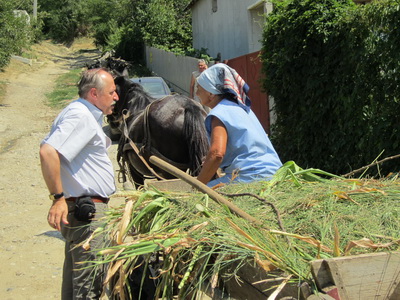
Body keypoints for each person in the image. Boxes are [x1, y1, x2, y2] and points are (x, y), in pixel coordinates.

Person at [39, 68, 119, 299]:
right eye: (112, 92)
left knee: (76, 286)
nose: (116, 97)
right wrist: (57, 199)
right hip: (87, 215)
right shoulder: (81, 115)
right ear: (94, 93)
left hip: (83, 211)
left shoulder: (80, 112)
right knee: (88, 288)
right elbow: (48, 152)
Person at [195, 63, 282, 187]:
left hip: (250, 176)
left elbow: (217, 154)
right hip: (275, 172)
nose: (197, 93)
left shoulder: (219, 113)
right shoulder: (243, 108)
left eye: (199, 88)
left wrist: (198, 186)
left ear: (211, 93)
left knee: (199, 195)